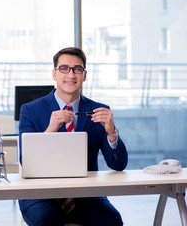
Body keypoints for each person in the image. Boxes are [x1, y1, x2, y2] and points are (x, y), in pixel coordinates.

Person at [18, 47, 128, 226]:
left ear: (84, 75)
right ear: (54, 74)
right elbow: (26, 162)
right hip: (41, 196)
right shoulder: (30, 110)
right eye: (64, 68)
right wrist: (50, 131)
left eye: (77, 69)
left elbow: (118, 164)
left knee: (112, 220)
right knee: (47, 221)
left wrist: (111, 131)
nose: (71, 74)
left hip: (87, 196)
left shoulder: (99, 110)